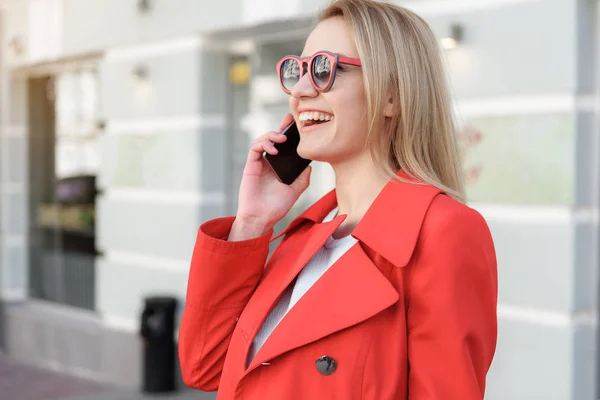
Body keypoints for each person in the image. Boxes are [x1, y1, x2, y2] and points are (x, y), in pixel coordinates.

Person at [178, 0, 498, 398]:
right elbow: (204, 367)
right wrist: (252, 223)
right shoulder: (304, 237)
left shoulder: (443, 232)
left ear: (391, 97)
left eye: (325, 69)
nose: (300, 90)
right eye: (298, 70)